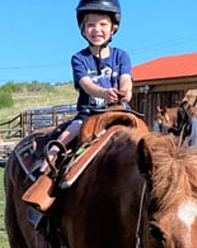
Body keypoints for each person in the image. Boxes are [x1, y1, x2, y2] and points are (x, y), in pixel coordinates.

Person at [22, 0, 132, 212]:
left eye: (102, 24)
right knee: (61, 141)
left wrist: (126, 90)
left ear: (113, 28)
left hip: (119, 114)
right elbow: (86, 84)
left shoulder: (121, 56)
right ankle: (43, 183)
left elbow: (126, 78)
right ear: (82, 28)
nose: (96, 30)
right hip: (88, 116)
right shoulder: (79, 58)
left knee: (148, 142)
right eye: (90, 25)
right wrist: (103, 92)